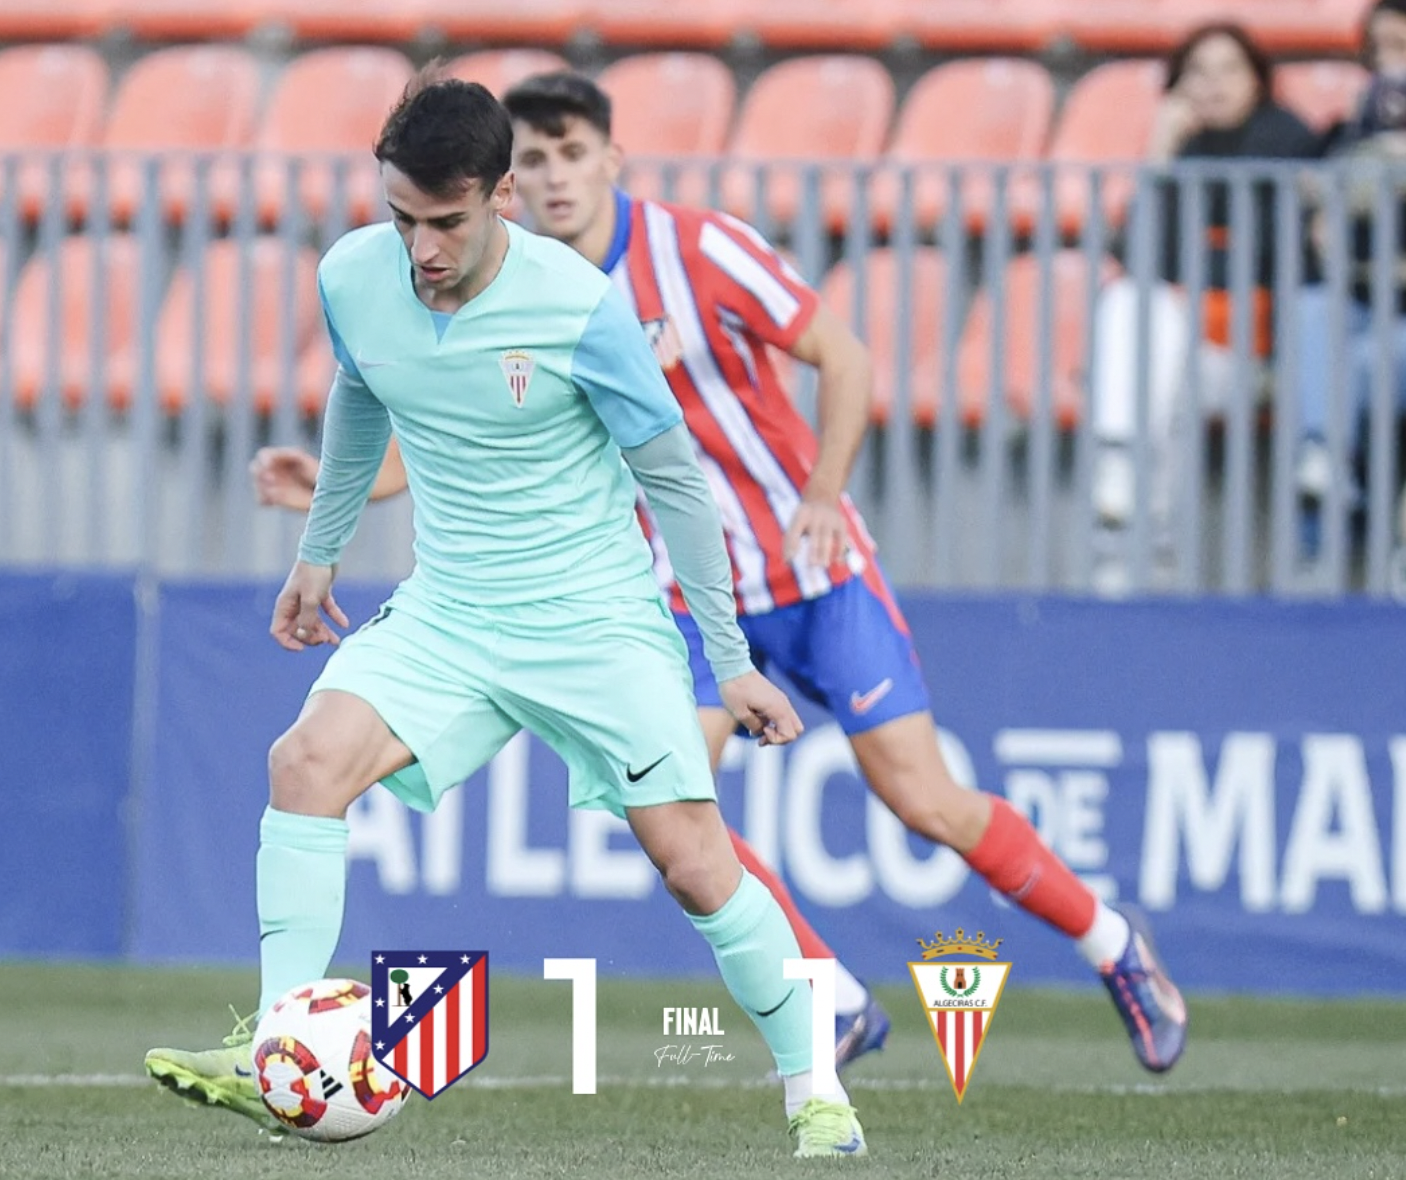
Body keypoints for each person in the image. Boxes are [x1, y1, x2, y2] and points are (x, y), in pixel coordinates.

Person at [255, 70, 1189, 1078]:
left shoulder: (696, 251)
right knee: (678, 811)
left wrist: (823, 492)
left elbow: (843, 354)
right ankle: (826, 997)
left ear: (609, 160)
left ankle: (1109, 940)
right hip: (679, 594)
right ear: (501, 181)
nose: (555, 176)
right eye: (535, 155)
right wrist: (346, 498)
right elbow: (464, 434)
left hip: (808, 567)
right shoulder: (486, 282)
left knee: (925, 802)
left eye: (573, 154)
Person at [145, 73, 869, 1160]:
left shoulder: (579, 305)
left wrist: (727, 663)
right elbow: (357, 396)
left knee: (692, 859)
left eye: (446, 222)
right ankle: (284, 1048)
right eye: (402, 219)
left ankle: (815, 1087)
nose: (422, 248)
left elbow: (673, 482)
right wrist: (319, 553)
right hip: (450, 611)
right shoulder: (354, 275)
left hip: (594, 618)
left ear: (502, 196)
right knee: (304, 762)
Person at [1091, 23, 1318, 543]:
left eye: (1229, 70)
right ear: (1177, 85)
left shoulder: (1288, 142)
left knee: (1155, 327)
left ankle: (1132, 501)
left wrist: (1195, 267)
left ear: (1257, 80)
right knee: (1137, 311)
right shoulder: (1180, 153)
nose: (1214, 84)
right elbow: (1137, 257)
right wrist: (1160, 153)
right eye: (1198, 72)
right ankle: (1142, 525)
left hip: (1259, 361)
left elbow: (1266, 256)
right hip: (1188, 352)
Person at [1293, 0, 1406, 562]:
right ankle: (1322, 459)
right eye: (1382, 50)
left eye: (1405, 48)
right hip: (1362, 305)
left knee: (1362, 363)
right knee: (1315, 316)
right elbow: (1307, 243)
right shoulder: (1343, 136)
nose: (1393, 65)